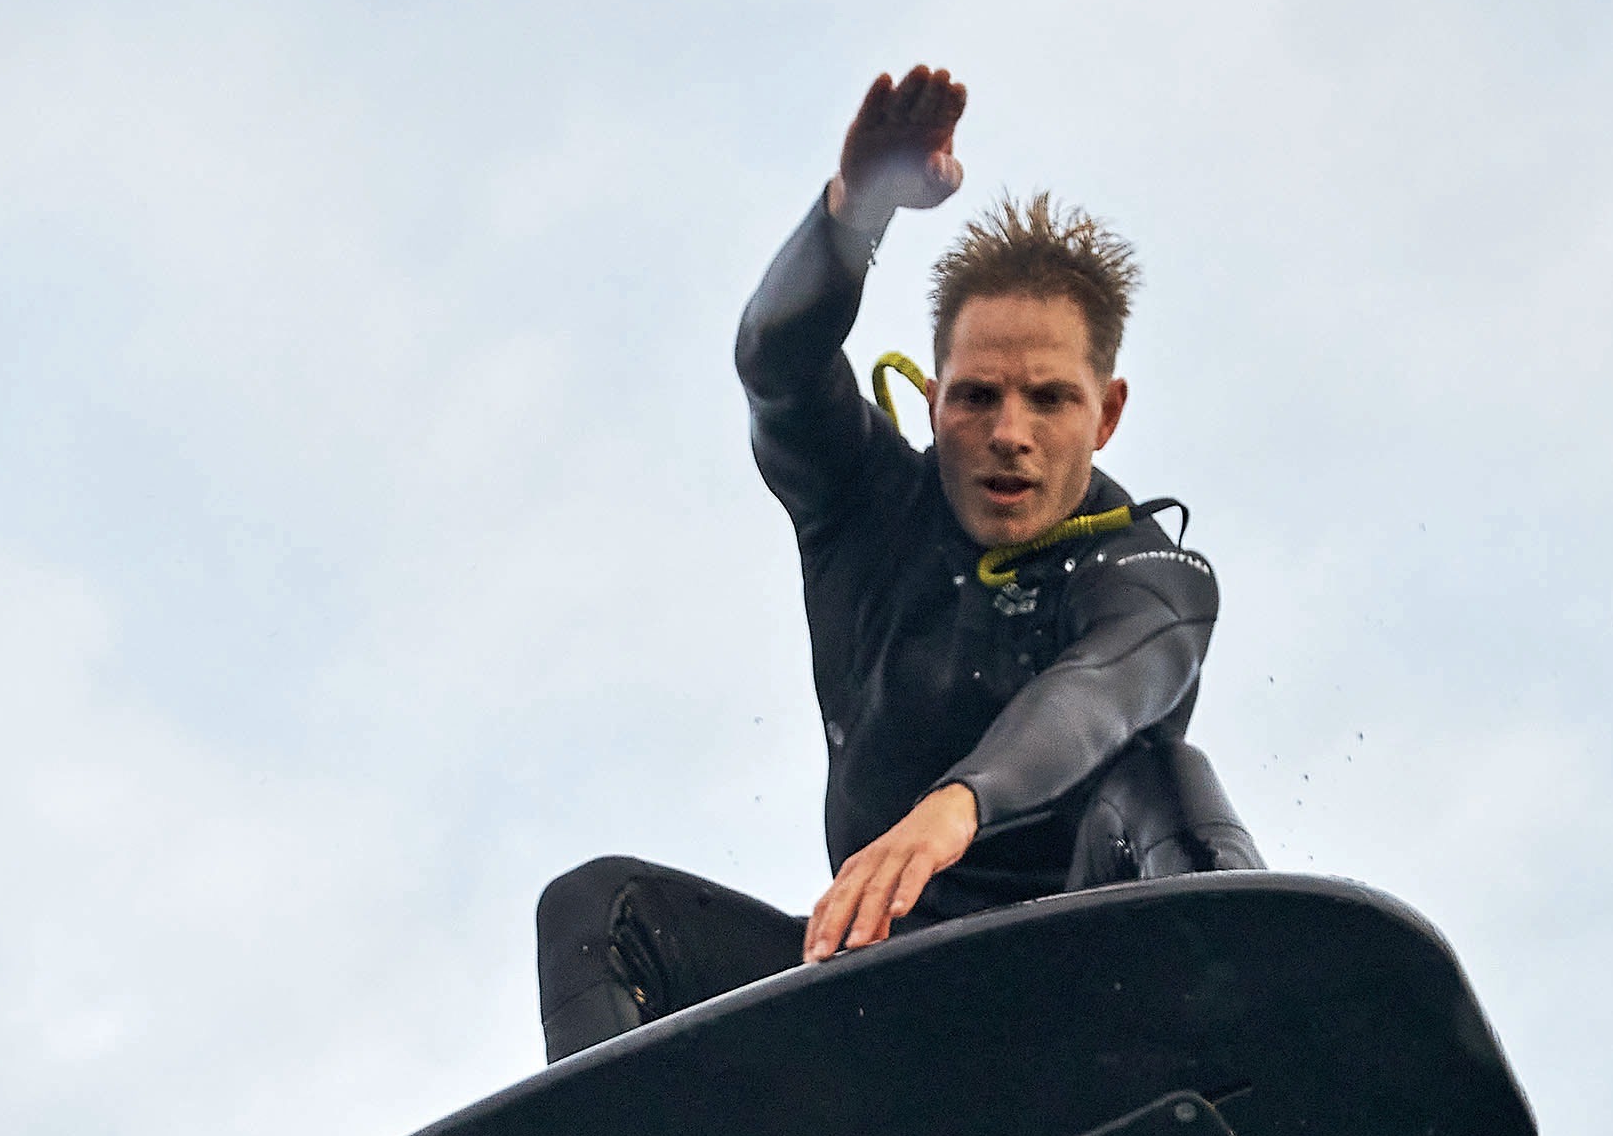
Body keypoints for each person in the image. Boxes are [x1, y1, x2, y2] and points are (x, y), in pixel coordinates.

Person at [536, 64, 1256, 1062]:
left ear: (1107, 412)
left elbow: (1093, 695)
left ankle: (1251, 1044)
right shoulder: (863, 509)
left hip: (1090, 1002)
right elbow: (775, 363)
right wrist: (851, 214)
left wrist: (955, 805)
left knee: (1166, 777)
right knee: (599, 907)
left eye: (1047, 400)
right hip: (877, 1005)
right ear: (928, 400)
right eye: (975, 398)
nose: (1008, 433)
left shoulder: (1150, 575)